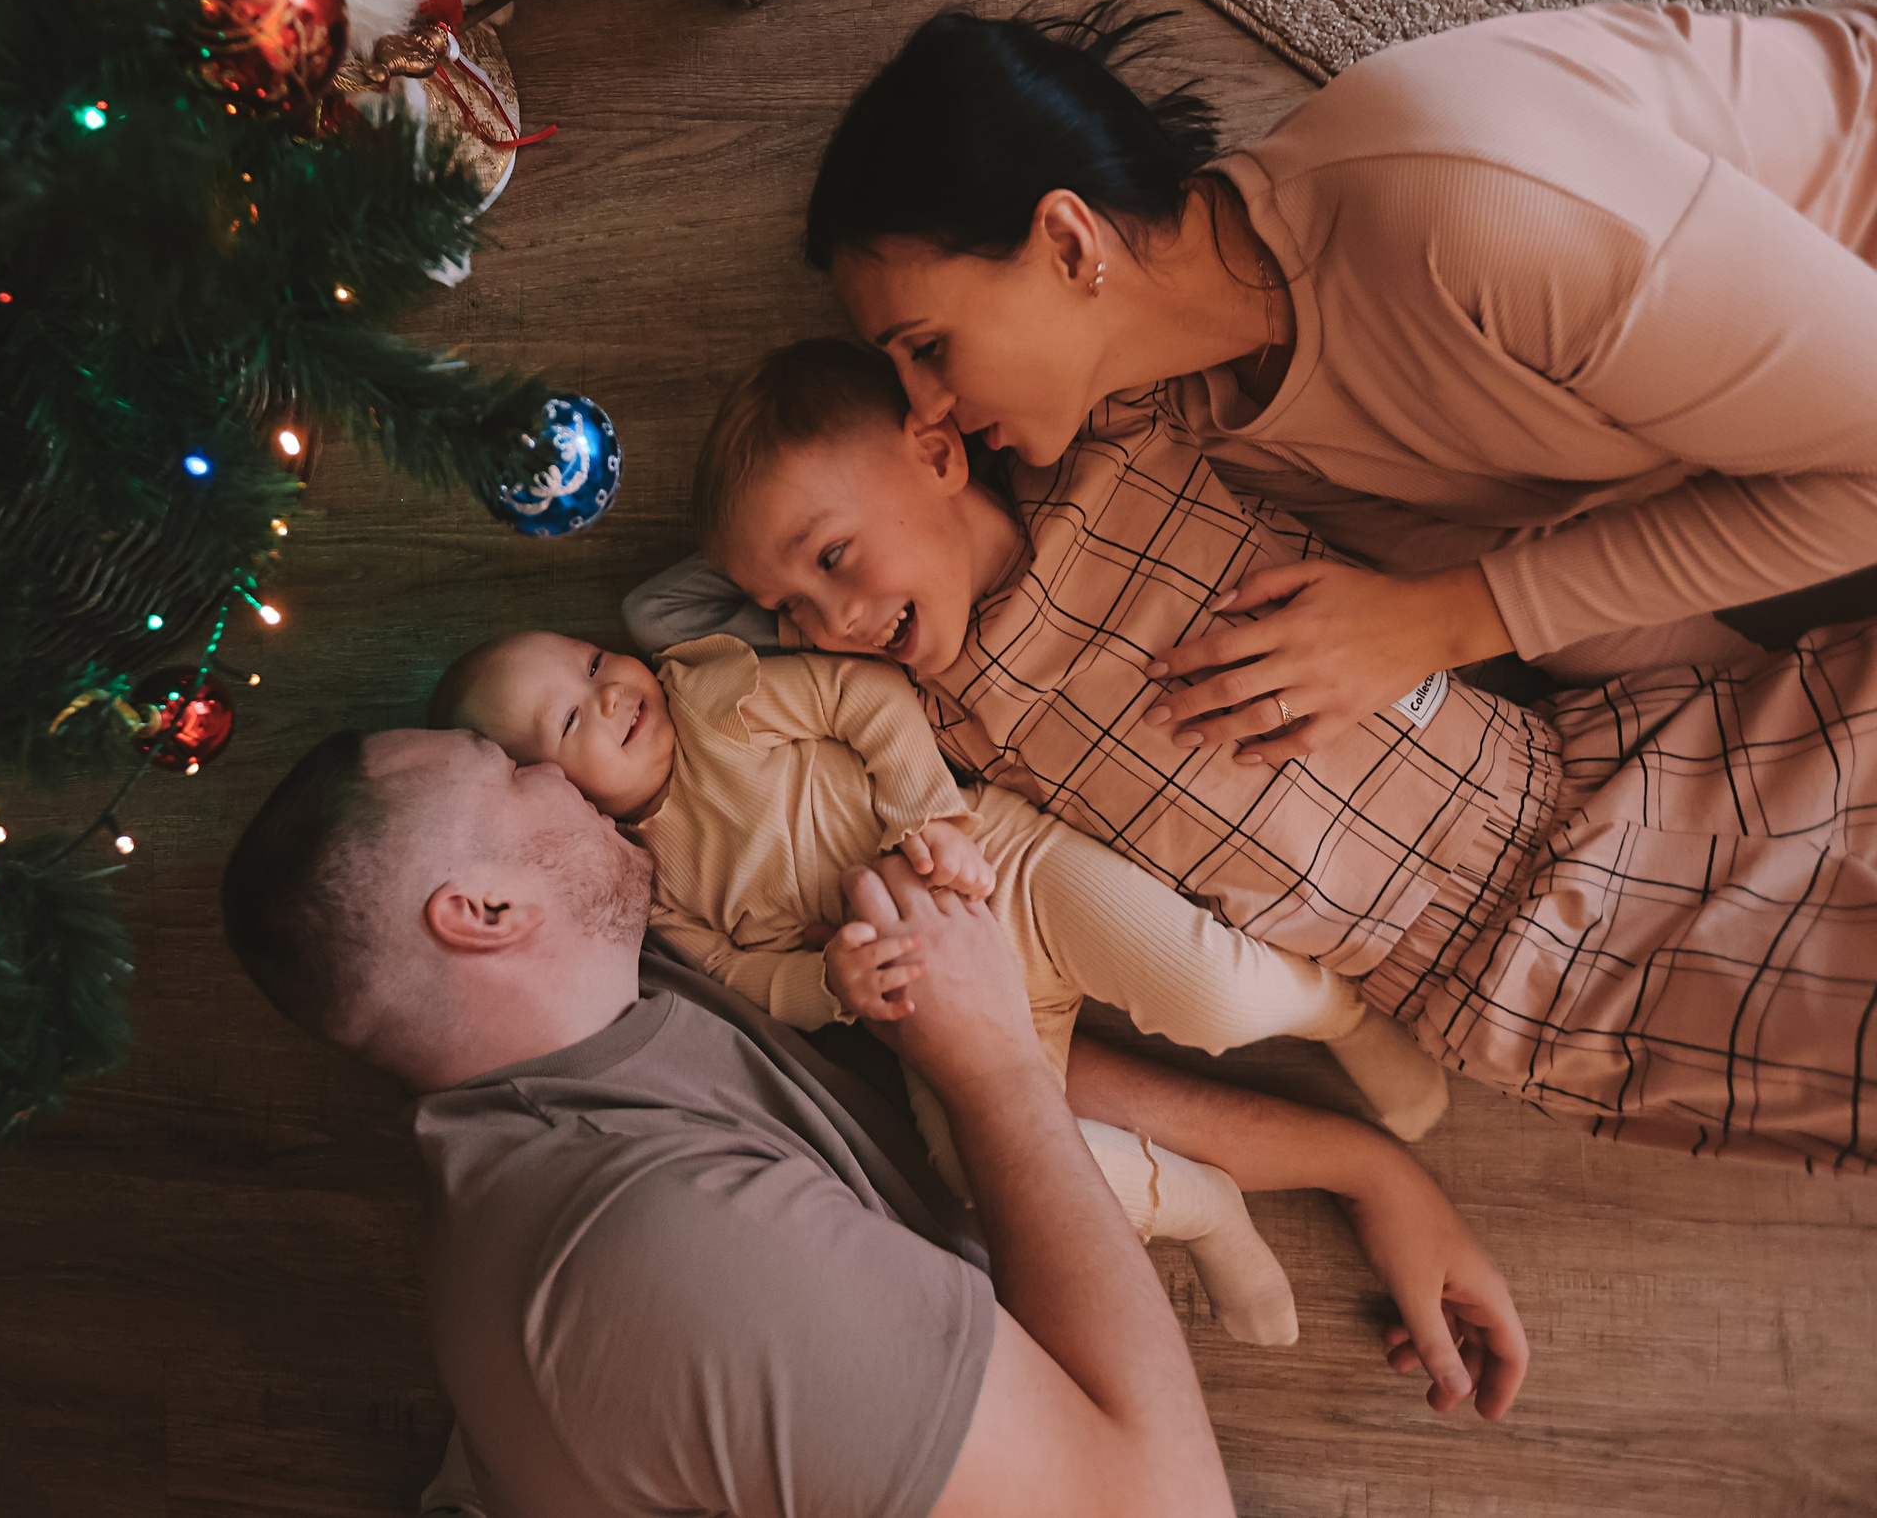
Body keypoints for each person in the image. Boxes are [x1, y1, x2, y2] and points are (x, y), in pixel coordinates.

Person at [220, 726, 1527, 1517]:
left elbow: (993, 1104)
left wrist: (1359, 1164)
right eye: (512, 772)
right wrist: (998, 1061)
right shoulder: (658, 1254)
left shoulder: (618, 1017)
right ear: (485, 911)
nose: (555, 763)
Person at [647, 336, 1877, 1173]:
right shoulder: (941, 718)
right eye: (793, 610)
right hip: (1486, 971)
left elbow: (1127, 328)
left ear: (935, 448)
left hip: (1576, 768)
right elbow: (668, 629)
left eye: (829, 560)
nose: (831, 623)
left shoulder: (1114, 449)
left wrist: (927, 365)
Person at [802, 0, 1877, 760]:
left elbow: (1491, 599)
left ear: (1070, 243)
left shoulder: (1472, 214)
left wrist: (1443, 622)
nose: (923, 407)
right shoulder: (1213, 417)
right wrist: (1787, 730)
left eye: (927, 346)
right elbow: (1568, 598)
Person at [428, 626, 1459, 1342]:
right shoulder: (649, 889)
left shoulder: (713, 697)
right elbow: (739, 974)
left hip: (1000, 872)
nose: (611, 689)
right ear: (561, 802)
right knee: (987, 1184)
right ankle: (1200, 1208)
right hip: (925, 1007)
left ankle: (1340, 1013)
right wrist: (825, 983)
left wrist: (928, 818)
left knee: (1216, 995)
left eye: (594, 660)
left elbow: (864, 698)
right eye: (571, 720)